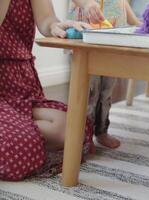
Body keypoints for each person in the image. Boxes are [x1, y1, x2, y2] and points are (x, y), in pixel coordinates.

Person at [0, 0, 93, 181]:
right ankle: (19, 138)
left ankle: (18, 132)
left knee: (73, 127)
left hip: (18, 83)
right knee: (20, 145)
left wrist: (54, 25)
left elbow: (46, 18)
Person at [69, 0, 141, 150]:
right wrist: (86, 4)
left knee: (106, 91)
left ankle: (101, 131)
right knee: (89, 92)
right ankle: (84, 135)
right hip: (87, 36)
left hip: (113, 38)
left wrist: (137, 23)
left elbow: (122, 3)